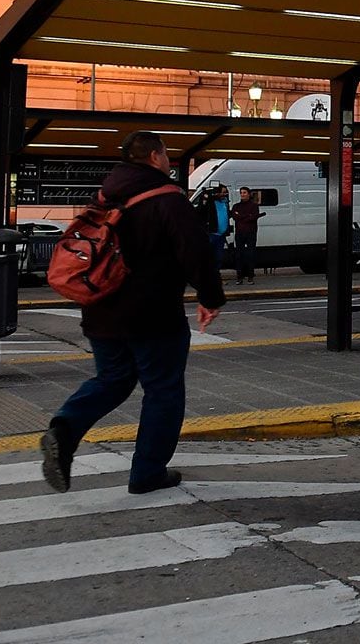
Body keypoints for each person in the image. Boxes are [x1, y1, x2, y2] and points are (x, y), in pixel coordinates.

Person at [41, 131, 224, 496]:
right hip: (154, 314)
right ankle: (147, 472)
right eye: (166, 153)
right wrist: (210, 297)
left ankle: (64, 429)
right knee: (163, 391)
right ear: (155, 156)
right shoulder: (167, 198)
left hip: (101, 310)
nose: (168, 160)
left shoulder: (106, 195)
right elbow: (195, 250)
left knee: (112, 380)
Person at [227, 185, 263, 284]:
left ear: (248, 194)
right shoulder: (236, 206)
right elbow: (235, 217)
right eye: (241, 193)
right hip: (239, 233)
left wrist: (241, 216)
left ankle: (250, 276)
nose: (242, 195)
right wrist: (247, 216)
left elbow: (253, 218)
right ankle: (239, 277)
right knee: (239, 255)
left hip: (251, 232)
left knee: (250, 254)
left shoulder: (254, 206)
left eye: (244, 193)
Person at [195, 185, 229, 272]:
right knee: (209, 256)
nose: (224, 194)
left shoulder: (225, 202)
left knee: (219, 257)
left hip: (221, 235)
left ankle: (216, 275)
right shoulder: (211, 202)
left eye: (225, 192)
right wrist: (206, 197)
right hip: (211, 233)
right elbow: (200, 211)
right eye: (223, 192)